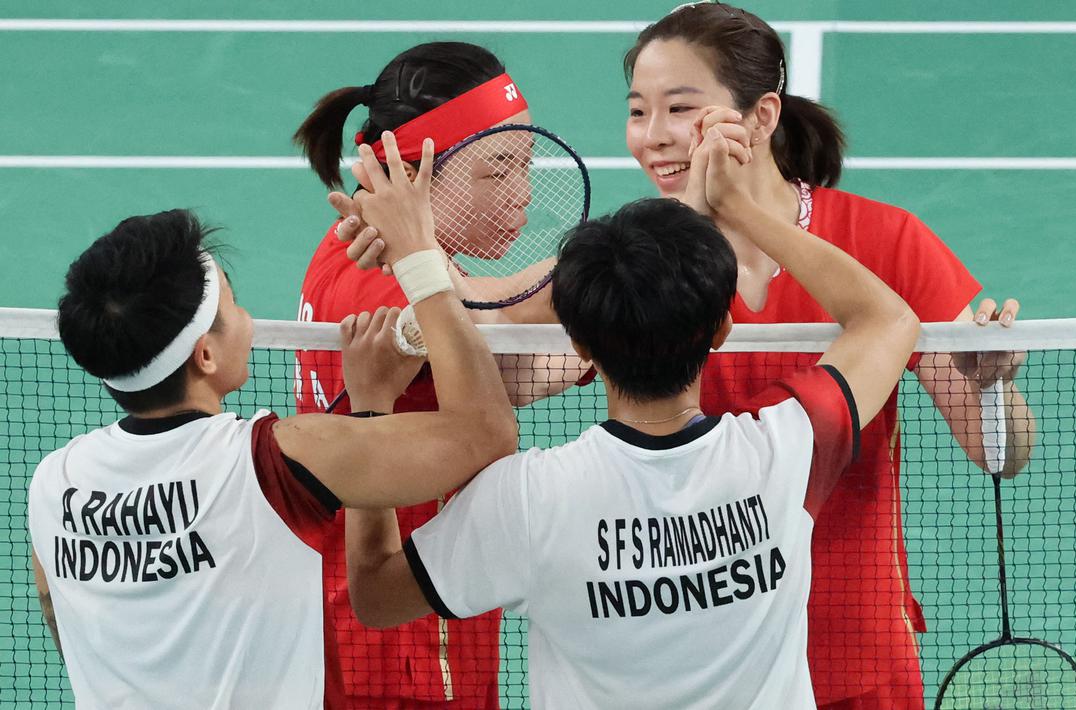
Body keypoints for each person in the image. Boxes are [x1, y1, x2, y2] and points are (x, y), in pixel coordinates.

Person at [342, 126, 921, 707]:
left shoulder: (528, 500)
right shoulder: (788, 450)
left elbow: (375, 593)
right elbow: (888, 320)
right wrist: (738, 207)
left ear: (580, 347)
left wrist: (370, 408)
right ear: (723, 329)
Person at [622, 4, 1037, 707]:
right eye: (637, 111)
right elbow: (527, 377)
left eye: (680, 108)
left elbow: (999, 452)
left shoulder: (887, 241)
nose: (653, 137)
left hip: (850, 643)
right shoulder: (633, 255)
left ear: (760, 118)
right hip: (692, 648)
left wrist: (988, 386)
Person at [28, 189, 517, 708]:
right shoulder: (274, 463)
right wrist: (420, 264)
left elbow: (55, 606)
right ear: (206, 355)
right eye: (233, 307)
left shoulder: (54, 482)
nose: (247, 317)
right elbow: (486, 432)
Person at [292, 42, 587, 708]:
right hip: (399, 640)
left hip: (421, 590)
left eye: (525, 162)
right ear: (413, 174)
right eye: (496, 172)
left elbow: (500, 334)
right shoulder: (389, 288)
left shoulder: (382, 253)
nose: (524, 193)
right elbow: (513, 341)